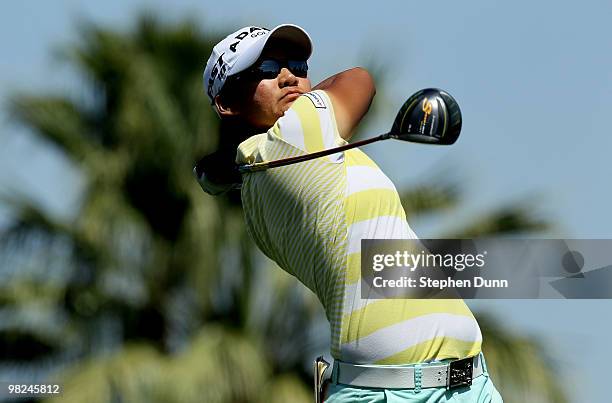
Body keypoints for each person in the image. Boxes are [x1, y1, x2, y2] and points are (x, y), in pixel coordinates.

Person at [196, 24, 503, 402]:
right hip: (386, 395)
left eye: (296, 65)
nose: (289, 76)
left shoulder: (261, 180)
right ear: (228, 103)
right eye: (266, 69)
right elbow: (358, 80)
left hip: (470, 385)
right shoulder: (293, 138)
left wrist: (230, 152)